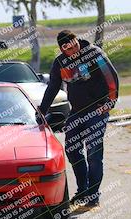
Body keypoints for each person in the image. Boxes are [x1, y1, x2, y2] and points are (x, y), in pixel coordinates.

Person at [39, 30, 119, 208]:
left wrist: (110, 103)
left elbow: (111, 78)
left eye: (75, 44)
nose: (74, 49)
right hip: (77, 111)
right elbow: (52, 87)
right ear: (62, 49)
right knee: (72, 150)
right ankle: (83, 190)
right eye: (69, 48)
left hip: (97, 111)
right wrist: (42, 111)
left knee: (93, 152)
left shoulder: (95, 54)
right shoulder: (60, 62)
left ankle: (93, 195)